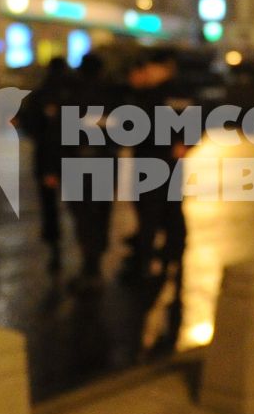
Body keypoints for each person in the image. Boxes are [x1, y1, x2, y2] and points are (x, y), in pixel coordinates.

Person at [119, 48, 191, 285]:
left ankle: (153, 262)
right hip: (155, 159)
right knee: (162, 210)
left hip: (158, 160)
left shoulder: (164, 94)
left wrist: (184, 144)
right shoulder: (153, 93)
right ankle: (166, 258)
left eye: (150, 68)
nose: (147, 73)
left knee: (154, 212)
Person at [60, 53, 115, 289]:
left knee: (83, 216)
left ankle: (89, 267)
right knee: (100, 214)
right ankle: (95, 264)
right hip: (104, 162)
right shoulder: (111, 96)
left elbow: (60, 135)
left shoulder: (73, 96)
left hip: (77, 163)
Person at [20, 59, 71, 274]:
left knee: (50, 207)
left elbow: (29, 126)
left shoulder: (40, 95)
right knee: (79, 208)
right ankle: (87, 257)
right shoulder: (72, 95)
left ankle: (55, 249)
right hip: (71, 159)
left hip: (45, 160)